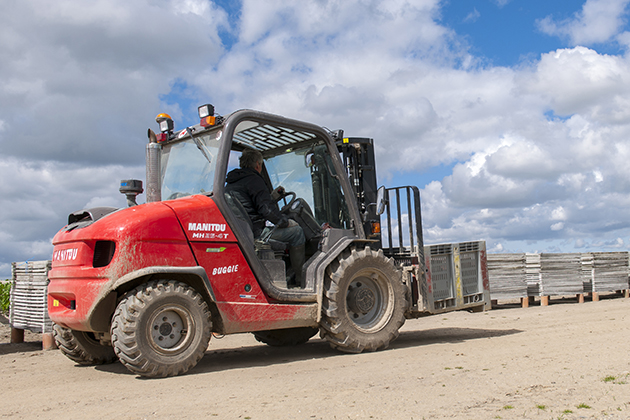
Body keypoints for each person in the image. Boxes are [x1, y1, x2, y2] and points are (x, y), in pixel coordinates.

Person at [225, 149, 306, 287]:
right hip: (257, 233)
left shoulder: (232, 183)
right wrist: (285, 222)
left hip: (244, 231)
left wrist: (271, 198)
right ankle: (301, 281)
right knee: (297, 233)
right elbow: (267, 211)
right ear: (258, 164)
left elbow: (254, 205)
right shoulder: (254, 180)